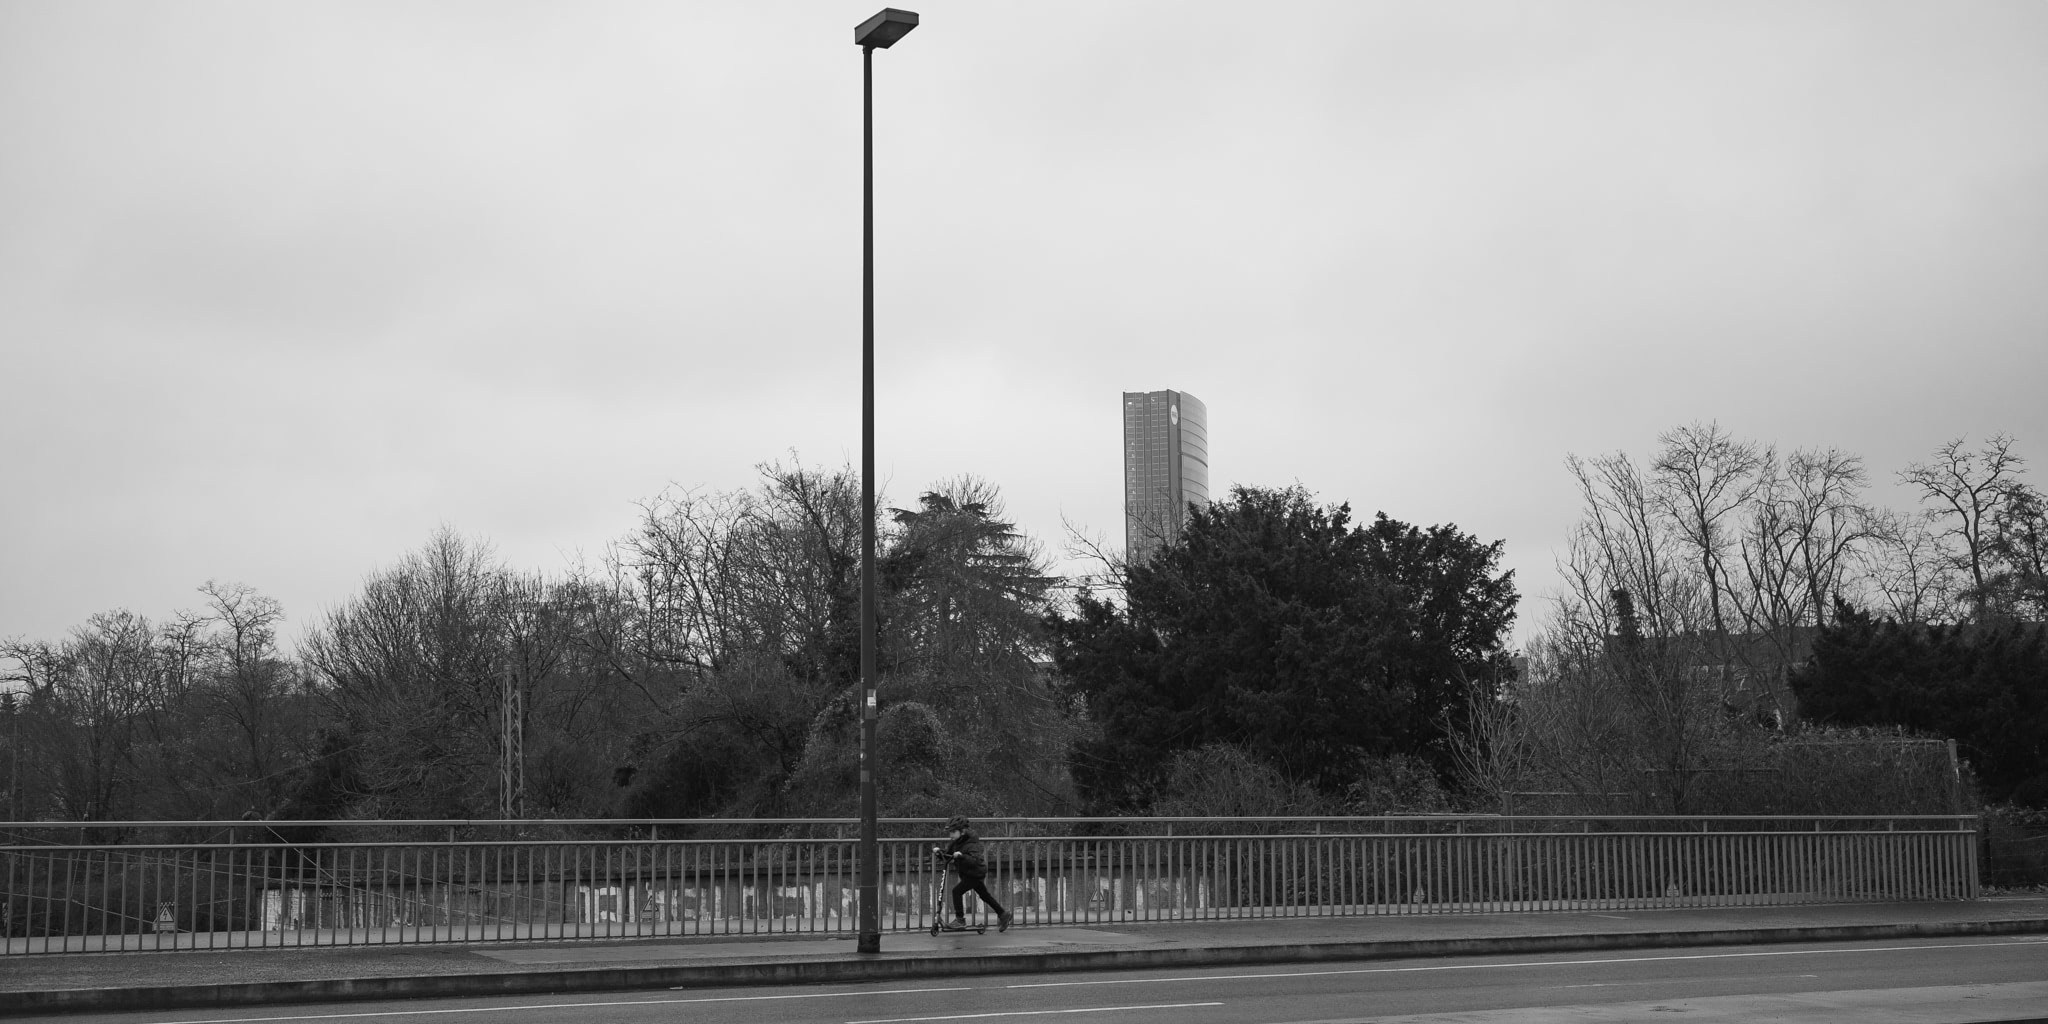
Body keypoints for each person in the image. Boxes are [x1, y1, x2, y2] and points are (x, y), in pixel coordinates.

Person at [933, 814, 1011, 932]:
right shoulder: (955, 843)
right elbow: (947, 855)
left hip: (975, 873)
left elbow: (975, 860)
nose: (951, 835)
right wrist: (939, 853)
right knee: (985, 895)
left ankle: (960, 920)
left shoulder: (972, 844)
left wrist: (962, 856)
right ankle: (1003, 914)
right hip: (967, 873)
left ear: (962, 831)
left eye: (953, 832)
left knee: (956, 891)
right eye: (950, 832)